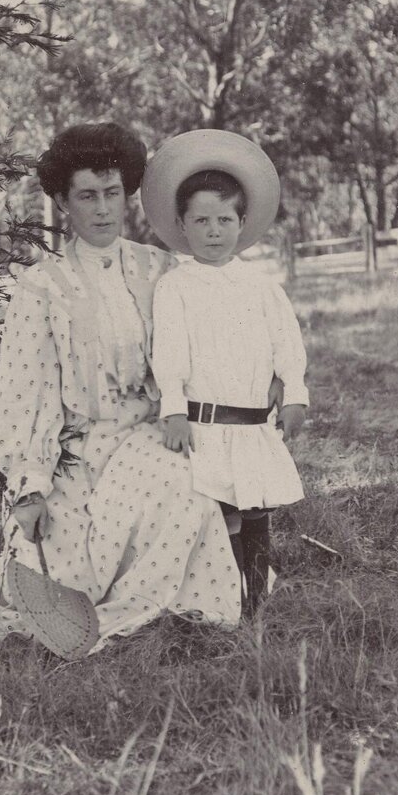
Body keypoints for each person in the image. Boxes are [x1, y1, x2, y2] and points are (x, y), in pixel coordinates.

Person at [0, 122, 241, 653]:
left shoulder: (159, 268)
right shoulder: (42, 286)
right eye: (87, 195)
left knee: (186, 496)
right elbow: (24, 393)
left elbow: (210, 342)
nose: (103, 209)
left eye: (113, 193)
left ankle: (164, 614)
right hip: (77, 452)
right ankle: (77, 609)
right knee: (65, 569)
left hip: (152, 435)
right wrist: (29, 485)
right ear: (64, 203)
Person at [141, 129, 309, 616]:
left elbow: (287, 344)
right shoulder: (176, 287)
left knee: (257, 512)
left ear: (241, 223)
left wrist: (294, 393)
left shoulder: (260, 287)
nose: (213, 231)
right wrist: (173, 407)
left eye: (223, 220)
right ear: (182, 224)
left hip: (253, 423)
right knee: (220, 515)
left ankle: (255, 600)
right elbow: (168, 353)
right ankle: (223, 600)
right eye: (201, 221)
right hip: (205, 424)